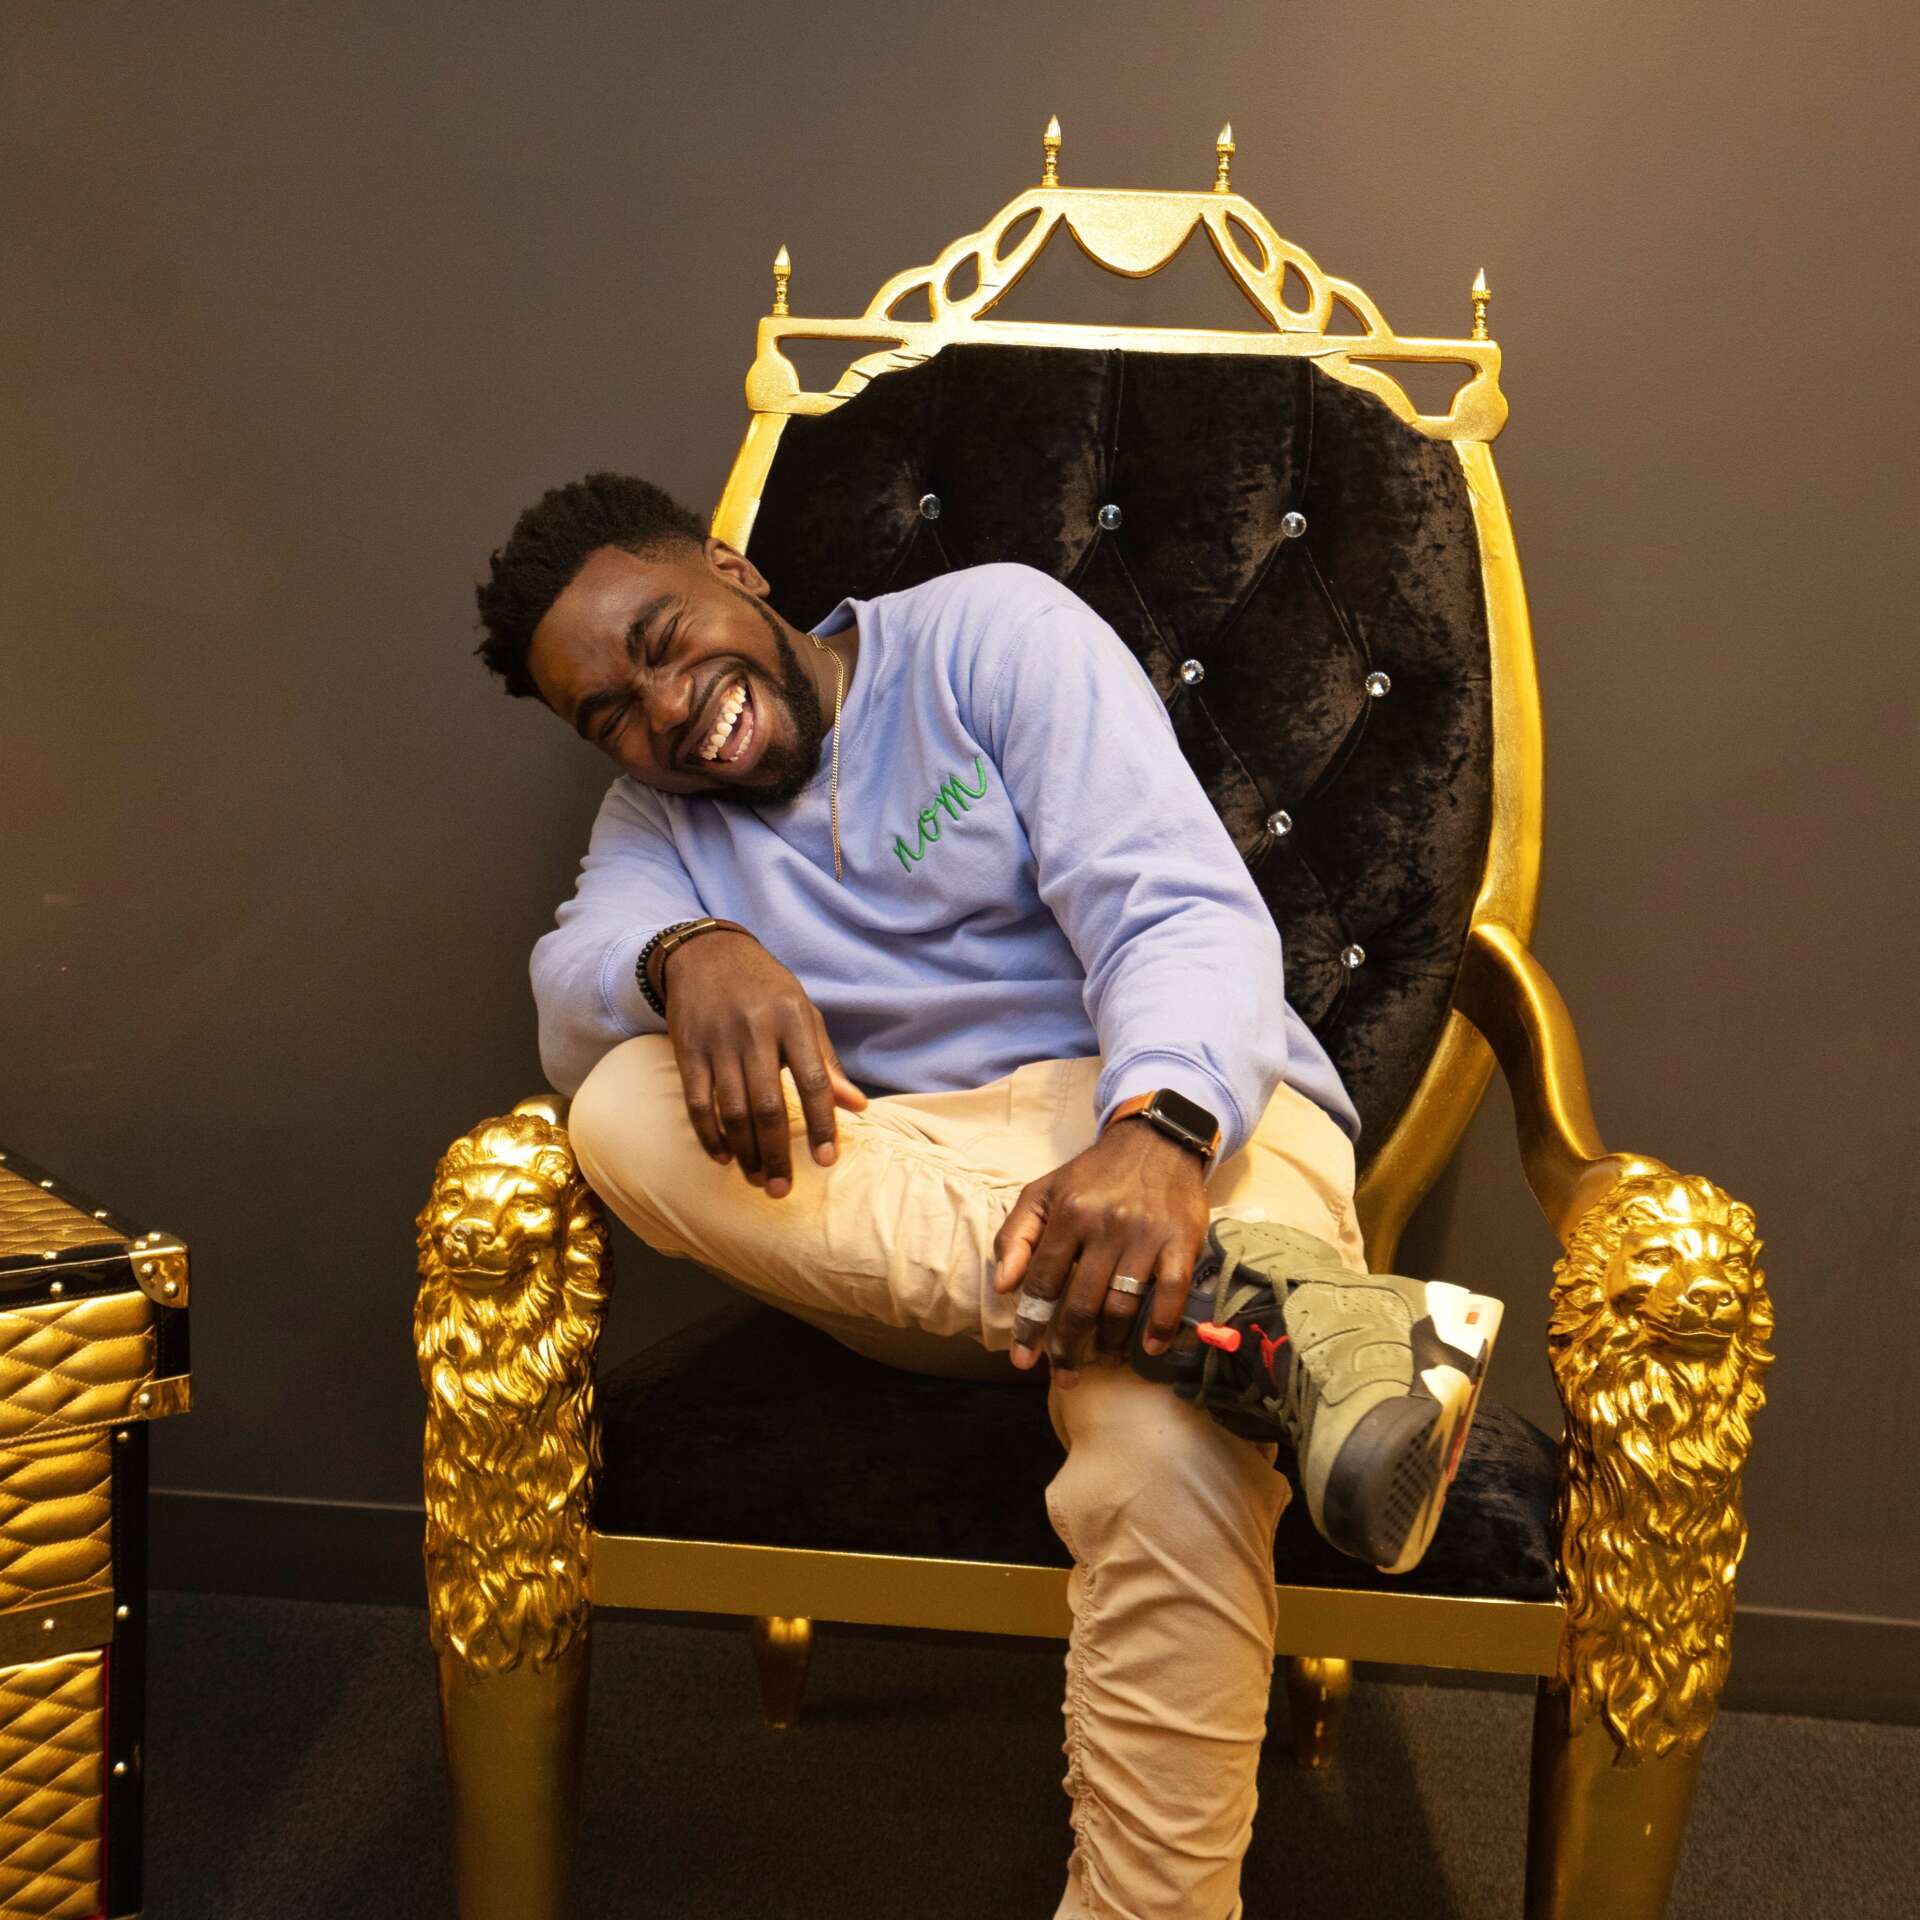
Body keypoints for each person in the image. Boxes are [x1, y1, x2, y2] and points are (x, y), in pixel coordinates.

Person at [475, 471, 1499, 1920]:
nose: (667, 713)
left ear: (731, 570)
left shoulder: (985, 635)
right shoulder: (658, 825)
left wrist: (1160, 1131)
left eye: (663, 641)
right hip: (930, 1201)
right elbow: (570, 986)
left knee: (1168, 1454)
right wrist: (685, 952)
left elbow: (1171, 905)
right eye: (613, 716)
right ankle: (1270, 1329)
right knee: (620, 1105)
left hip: (1183, 1116)